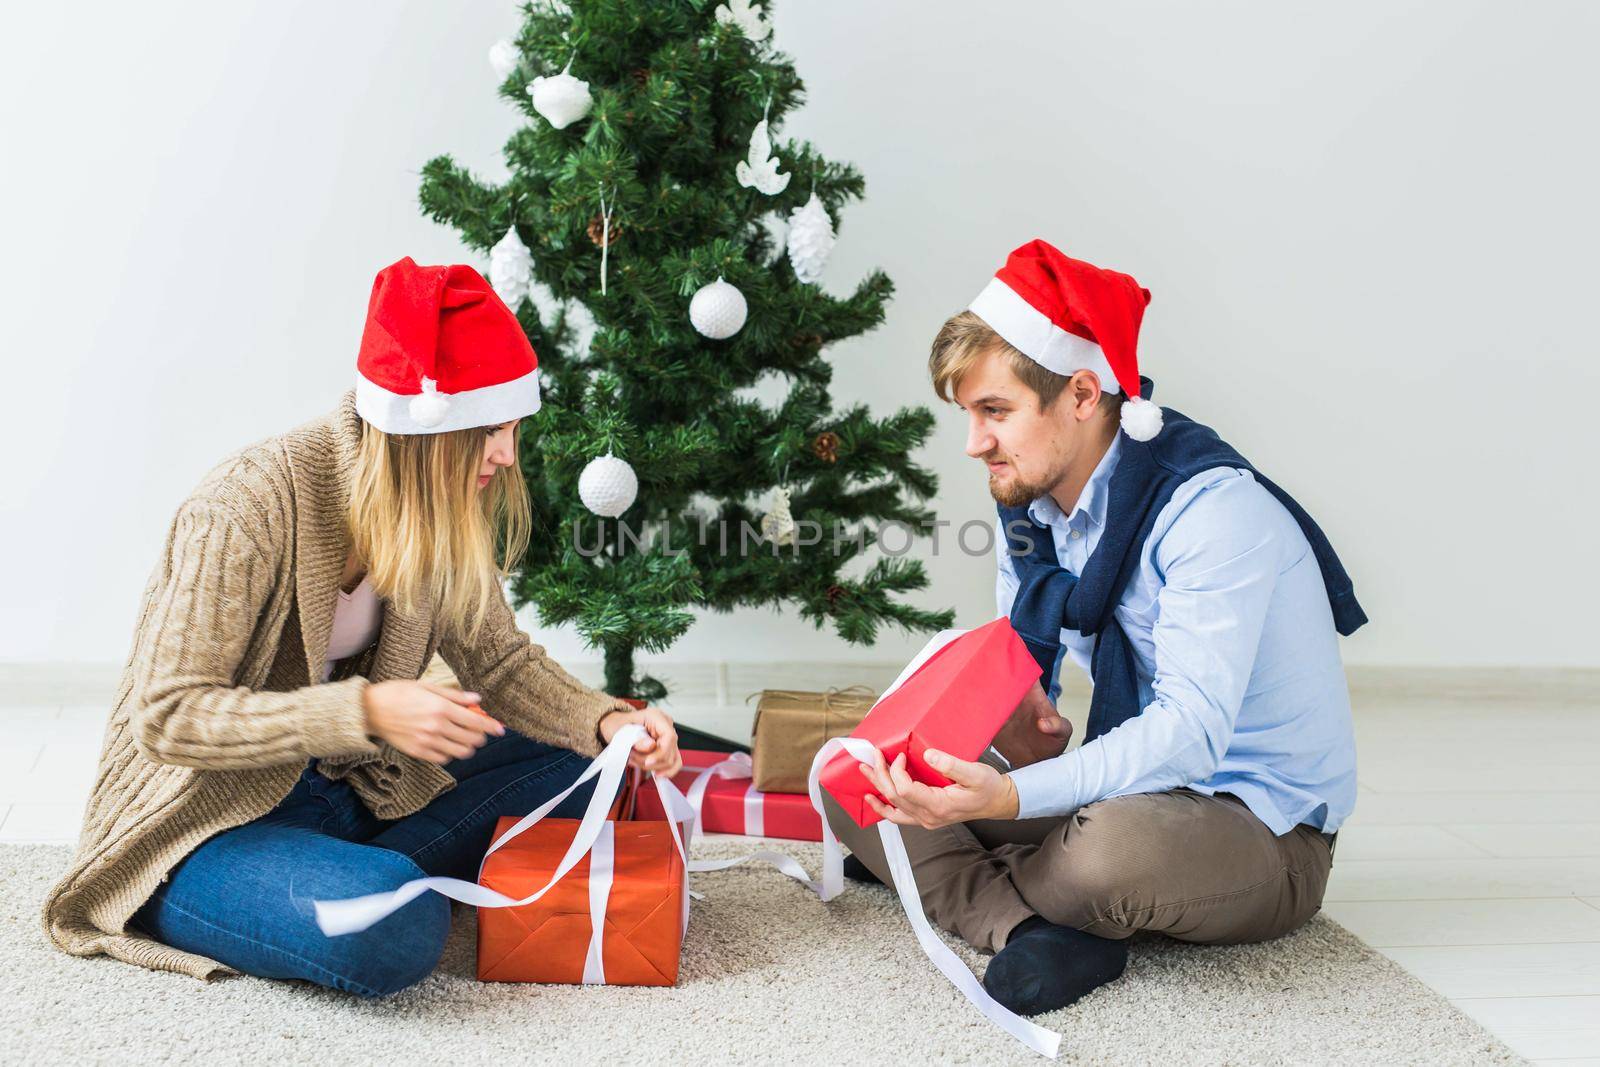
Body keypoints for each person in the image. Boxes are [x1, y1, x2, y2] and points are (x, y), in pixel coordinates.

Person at [40, 256, 682, 997]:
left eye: (512, 428)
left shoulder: (441, 504)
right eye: (489, 431)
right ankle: (349, 881)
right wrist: (366, 710)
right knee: (391, 930)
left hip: (345, 781)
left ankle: (364, 870)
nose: (507, 455)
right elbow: (167, 716)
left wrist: (606, 721)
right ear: (421, 430)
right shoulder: (246, 504)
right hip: (200, 820)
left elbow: (499, 661)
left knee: (582, 762)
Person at [823, 239, 1362, 1016]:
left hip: (1258, 823)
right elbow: (1022, 667)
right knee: (858, 762)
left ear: (1081, 395)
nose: (975, 443)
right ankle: (1030, 927)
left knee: (1105, 851)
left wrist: (1005, 797)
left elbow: (1189, 736)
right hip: (1127, 782)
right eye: (969, 414)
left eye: (995, 412)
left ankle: (972, 876)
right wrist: (1013, 721)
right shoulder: (1031, 504)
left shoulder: (1210, 513)